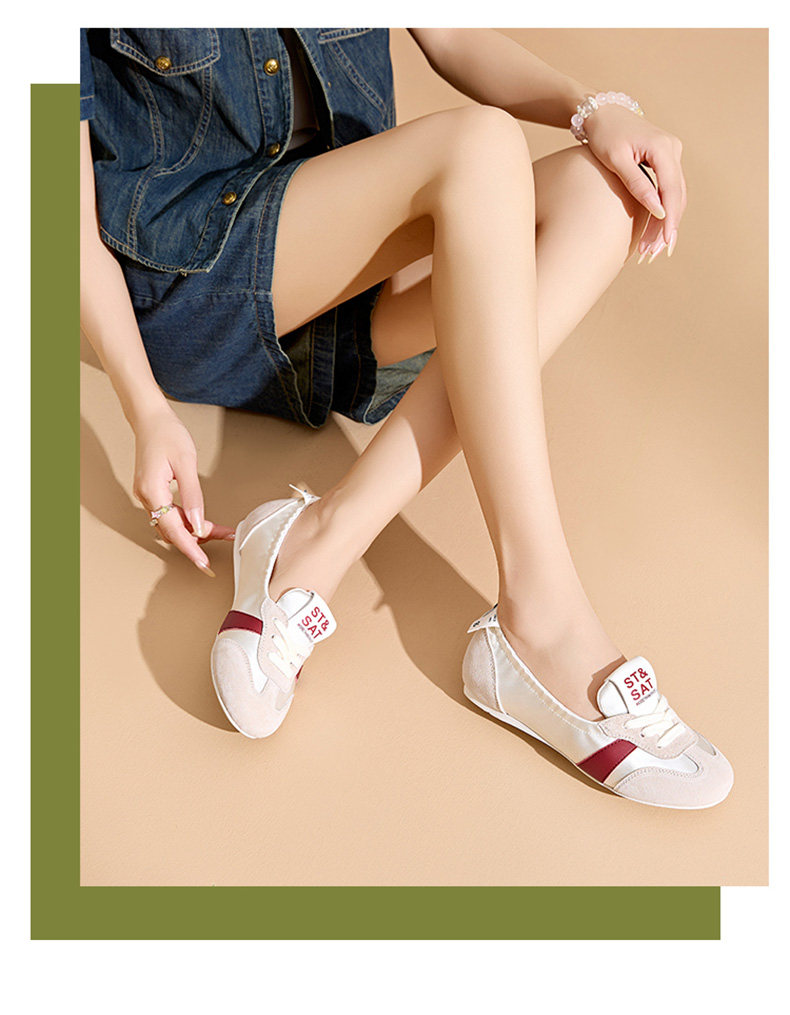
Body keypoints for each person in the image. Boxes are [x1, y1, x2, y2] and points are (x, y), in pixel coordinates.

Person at [80, 27, 733, 808]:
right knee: (481, 144)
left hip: (350, 287)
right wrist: (144, 406)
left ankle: (324, 535)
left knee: (606, 195)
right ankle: (542, 616)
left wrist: (594, 109)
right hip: (202, 293)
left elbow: (450, 31)